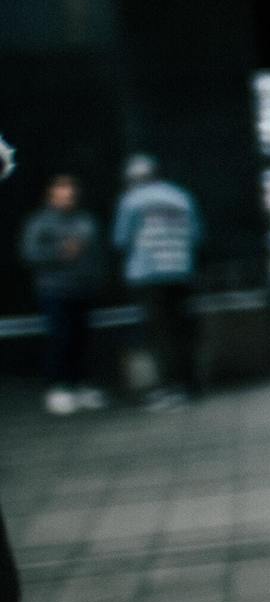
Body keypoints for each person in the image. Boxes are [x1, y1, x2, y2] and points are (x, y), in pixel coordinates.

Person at [113, 153, 203, 404]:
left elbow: (121, 239)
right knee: (181, 329)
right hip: (181, 271)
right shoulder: (181, 197)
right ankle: (189, 383)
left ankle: (171, 387)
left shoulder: (131, 201)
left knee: (159, 332)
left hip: (148, 274)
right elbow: (196, 235)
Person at [18, 175, 103, 413]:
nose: (67, 196)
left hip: (83, 289)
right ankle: (58, 388)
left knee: (81, 339)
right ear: (51, 194)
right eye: (62, 191)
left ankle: (81, 386)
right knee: (60, 339)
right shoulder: (39, 222)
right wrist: (60, 252)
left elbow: (95, 252)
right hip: (54, 290)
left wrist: (95, 278)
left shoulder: (85, 220)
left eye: (71, 192)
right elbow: (29, 254)